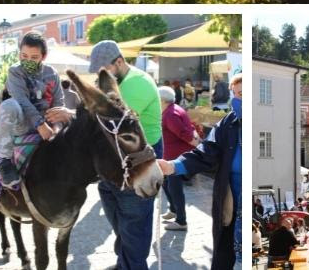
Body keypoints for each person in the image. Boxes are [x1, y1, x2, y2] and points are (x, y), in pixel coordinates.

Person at [89, 39, 163, 270]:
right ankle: (125, 263)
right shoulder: (116, 84)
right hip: (118, 161)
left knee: (134, 223)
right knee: (121, 220)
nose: (101, 80)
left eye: (105, 73)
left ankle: (133, 264)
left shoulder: (135, 84)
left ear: (119, 62)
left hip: (139, 161)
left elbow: (111, 121)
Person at [157, 70, 241, 269]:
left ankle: (179, 217)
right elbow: (206, 153)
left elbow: (186, 134)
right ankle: (178, 215)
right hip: (231, 204)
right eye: (237, 94)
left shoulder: (171, 113)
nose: (240, 98)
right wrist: (173, 166)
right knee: (226, 255)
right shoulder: (228, 124)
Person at [0, 31, 67, 187]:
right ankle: (5, 162)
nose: (28, 61)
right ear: (19, 53)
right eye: (24, 56)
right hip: (24, 123)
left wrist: (57, 128)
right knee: (9, 104)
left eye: (34, 58)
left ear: (43, 57)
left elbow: (59, 103)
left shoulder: (52, 73)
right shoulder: (15, 71)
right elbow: (22, 101)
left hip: (48, 122)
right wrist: (40, 125)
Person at [158, 85, 198, 232]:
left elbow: (184, 133)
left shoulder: (170, 114)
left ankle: (181, 221)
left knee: (175, 188)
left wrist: (196, 143)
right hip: (170, 156)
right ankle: (174, 210)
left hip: (176, 158)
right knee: (165, 183)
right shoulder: (172, 109)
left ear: (162, 100)